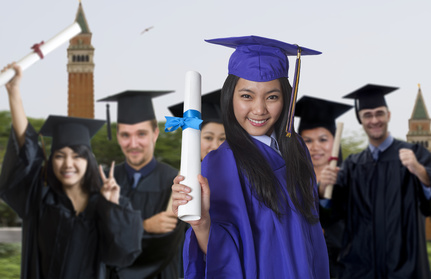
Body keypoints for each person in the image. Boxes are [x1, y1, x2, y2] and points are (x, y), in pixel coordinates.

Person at [171, 35, 330, 278]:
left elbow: (313, 234)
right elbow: (222, 252)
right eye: (247, 96)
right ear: (230, 97)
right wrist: (201, 223)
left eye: (272, 97)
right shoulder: (220, 162)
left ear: (286, 99)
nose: (259, 109)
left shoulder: (297, 149)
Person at [0, 63, 143, 279]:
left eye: (77, 156)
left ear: (89, 161)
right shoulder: (40, 200)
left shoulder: (107, 204)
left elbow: (122, 256)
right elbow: (26, 152)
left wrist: (111, 207)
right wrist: (14, 93)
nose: (68, 163)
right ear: (51, 161)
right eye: (59, 155)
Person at [323, 84, 431, 278]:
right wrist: (323, 189)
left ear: (388, 115)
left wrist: (420, 171)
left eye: (379, 113)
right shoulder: (352, 166)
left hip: (405, 270)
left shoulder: (414, 155)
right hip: (362, 271)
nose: (374, 120)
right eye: (367, 115)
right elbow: (332, 215)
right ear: (360, 120)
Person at [98, 90, 186, 279]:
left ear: (155, 134)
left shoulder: (176, 183)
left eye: (141, 134)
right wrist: (144, 226)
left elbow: (171, 244)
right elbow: (93, 239)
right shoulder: (103, 181)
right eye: (125, 135)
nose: (133, 143)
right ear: (118, 136)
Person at [295, 95, 352, 278]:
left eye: (322, 139)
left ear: (334, 141)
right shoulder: (288, 182)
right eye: (308, 140)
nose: (315, 147)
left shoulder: (351, 180)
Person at [168, 89, 225, 161]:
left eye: (222, 139)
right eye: (208, 138)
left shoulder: (238, 171)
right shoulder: (184, 172)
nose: (215, 146)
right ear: (193, 140)